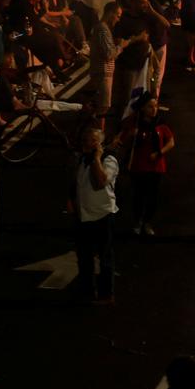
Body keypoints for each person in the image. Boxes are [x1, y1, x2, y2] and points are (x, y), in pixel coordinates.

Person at [112, 94, 174, 236]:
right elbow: (120, 141)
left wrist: (159, 153)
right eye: (150, 107)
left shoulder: (160, 123)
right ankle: (137, 221)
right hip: (138, 165)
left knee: (153, 196)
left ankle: (148, 222)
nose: (154, 109)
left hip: (156, 166)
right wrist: (130, 135)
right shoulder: (134, 123)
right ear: (142, 108)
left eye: (155, 106)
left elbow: (171, 142)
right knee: (139, 195)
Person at [71, 126, 120, 303]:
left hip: (102, 215)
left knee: (105, 258)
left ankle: (106, 294)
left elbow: (100, 182)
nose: (88, 143)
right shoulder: (81, 159)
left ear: (101, 144)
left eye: (93, 140)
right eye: (86, 140)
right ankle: (87, 292)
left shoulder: (109, 160)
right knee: (84, 258)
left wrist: (97, 158)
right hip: (83, 216)